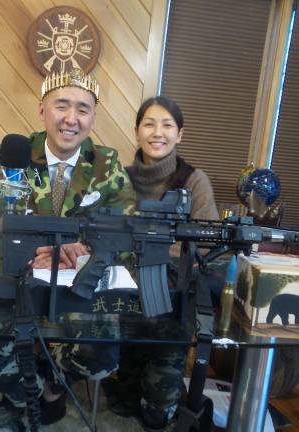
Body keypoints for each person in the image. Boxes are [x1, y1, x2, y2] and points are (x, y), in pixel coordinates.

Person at [0, 67, 136, 428]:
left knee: (103, 350)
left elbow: (127, 235)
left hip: (78, 285)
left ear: (93, 117)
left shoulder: (106, 164)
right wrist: (33, 249)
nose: (71, 119)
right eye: (62, 106)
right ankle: (37, 392)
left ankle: (51, 384)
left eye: (83, 109)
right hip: (18, 281)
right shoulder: (14, 156)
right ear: (42, 111)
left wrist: (85, 249)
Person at [103, 96, 219, 432]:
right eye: (149, 124)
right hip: (121, 302)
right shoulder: (118, 180)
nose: (158, 132)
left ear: (180, 134)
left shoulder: (195, 181)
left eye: (167, 125)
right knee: (123, 404)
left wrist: (155, 252)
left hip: (169, 308)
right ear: (137, 131)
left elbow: (208, 243)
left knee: (157, 414)